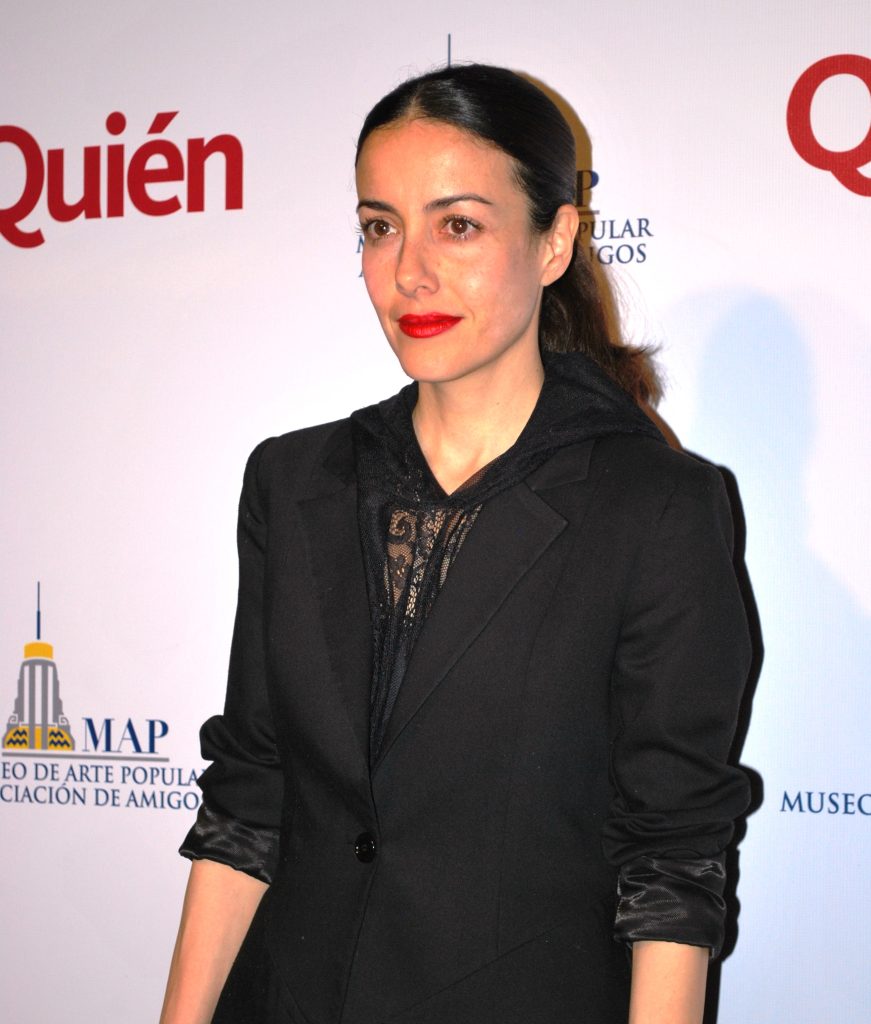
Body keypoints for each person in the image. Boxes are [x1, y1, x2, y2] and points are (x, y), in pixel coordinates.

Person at [160, 64, 751, 1024]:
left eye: (459, 225)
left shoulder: (657, 507)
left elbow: (672, 854)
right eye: (379, 227)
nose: (409, 272)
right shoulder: (292, 480)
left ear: (554, 241)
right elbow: (248, 797)